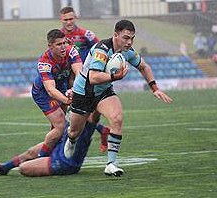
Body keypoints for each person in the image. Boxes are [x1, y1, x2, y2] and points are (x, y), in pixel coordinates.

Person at [64, 19, 173, 177]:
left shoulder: (127, 51)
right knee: (74, 132)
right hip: (83, 92)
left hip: (103, 92)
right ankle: (71, 140)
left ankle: (111, 164)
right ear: (115, 35)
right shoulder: (102, 50)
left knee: (117, 118)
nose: (129, 42)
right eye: (126, 38)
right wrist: (115, 76)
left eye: (132, 38)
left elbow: (144, 66)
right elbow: (93, 77)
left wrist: (154, 88)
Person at [59, 6, 110, 152]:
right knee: (69, 110)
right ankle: (101, 130)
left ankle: (66, 142)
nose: (69, 22)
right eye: (65, 20)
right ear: (61, 20)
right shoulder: (60, 37)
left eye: (71, 19)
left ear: (75, 18)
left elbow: (102, 48)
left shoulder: (85, 34)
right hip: (68, 77)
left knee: (77, 111)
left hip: (85, 79)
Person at [0, 116, 100, 177]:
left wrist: (104, 132)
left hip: (66, 162)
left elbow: (94, 119)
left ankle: (42, 160)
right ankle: (4, 168)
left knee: (23, 168)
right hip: (61, 146)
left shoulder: (88, 111)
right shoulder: (78, 103)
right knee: (31, 152)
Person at [31, 29, 82, 158]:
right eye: (59, 44)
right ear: (50, 46)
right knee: (61, 124)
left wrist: (74, 89)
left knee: (57, 128)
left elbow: (79, 73)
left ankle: (50, 153)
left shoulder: (71, 50)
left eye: (64, 42)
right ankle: (41, 158)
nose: (63, 46)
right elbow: (50, 90)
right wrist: (68, 100)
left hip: (62, 88)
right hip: (43, 93)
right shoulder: (44, 63)